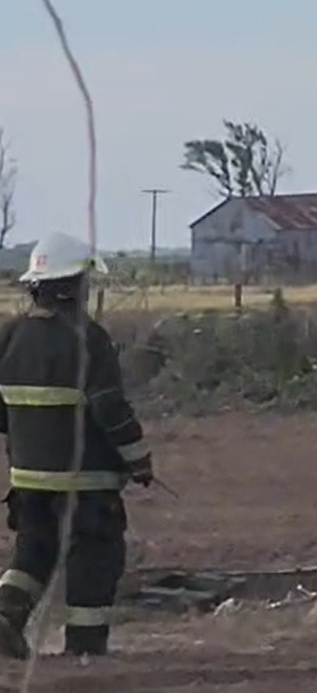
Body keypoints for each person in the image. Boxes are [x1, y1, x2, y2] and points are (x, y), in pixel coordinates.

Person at [0, 233, 151, 659]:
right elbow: (110, 409)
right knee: (95, 554)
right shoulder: (89, 338)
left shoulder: (10, 336)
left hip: (28, 479)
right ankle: (84, 650)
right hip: (87, 480)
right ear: (73, 285)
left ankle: (7, 614)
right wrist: (139, 460)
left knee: (34, 547)